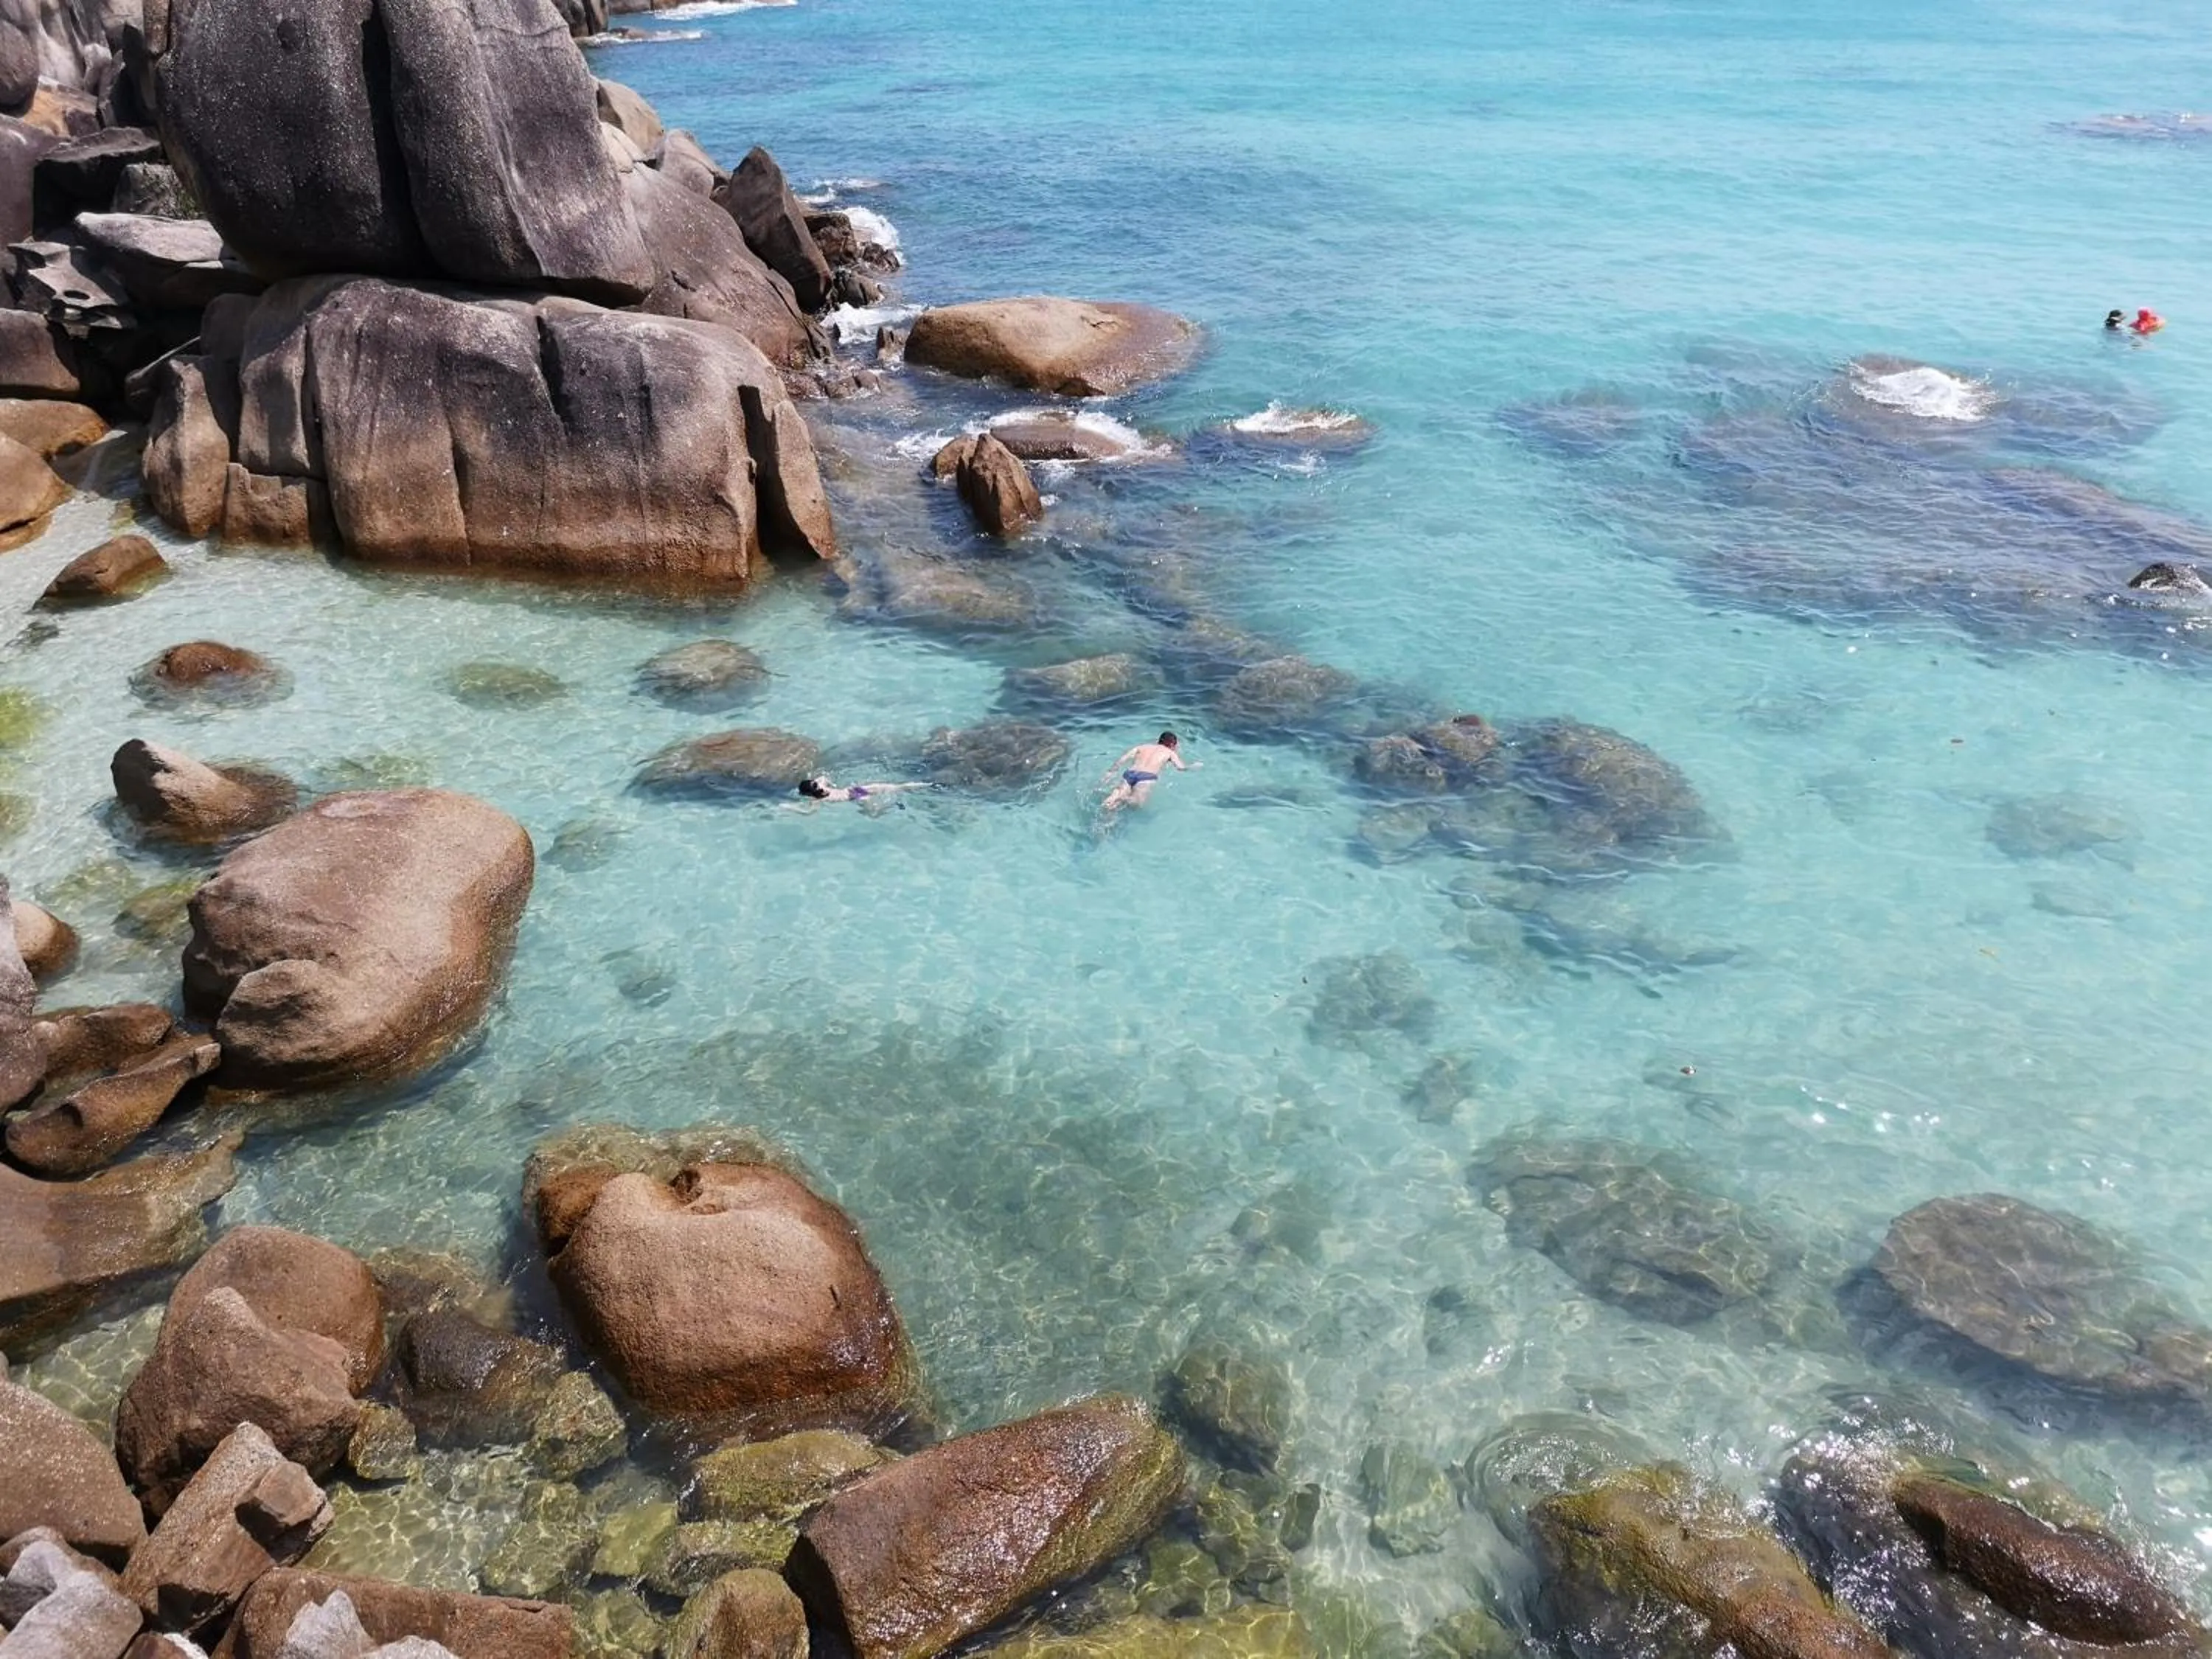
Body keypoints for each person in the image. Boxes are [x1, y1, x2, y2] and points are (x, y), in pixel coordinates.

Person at [1101, 731, 1195, 813]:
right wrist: (1192, 767)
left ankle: (1115, 800)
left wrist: (1110, 772)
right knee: (1136, 805)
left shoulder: (1142, 747)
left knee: (1110, 803)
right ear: (1172, 744)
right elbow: (1181, 768)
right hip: (1147, 777)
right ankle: (1124, 799)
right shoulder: (1170, 752)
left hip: (1130, 774)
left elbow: (1123, 759)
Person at [793, 776, 931, 808]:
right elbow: (824, 777)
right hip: (855, 791)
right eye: (815, 786)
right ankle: (927, 785)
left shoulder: (817, 799)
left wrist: (791, 807)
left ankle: (895, 804)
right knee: (895, 788)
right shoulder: (820, 790)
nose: (819, 786)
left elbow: (809, 813)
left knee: (874, 813)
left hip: (855, 796)